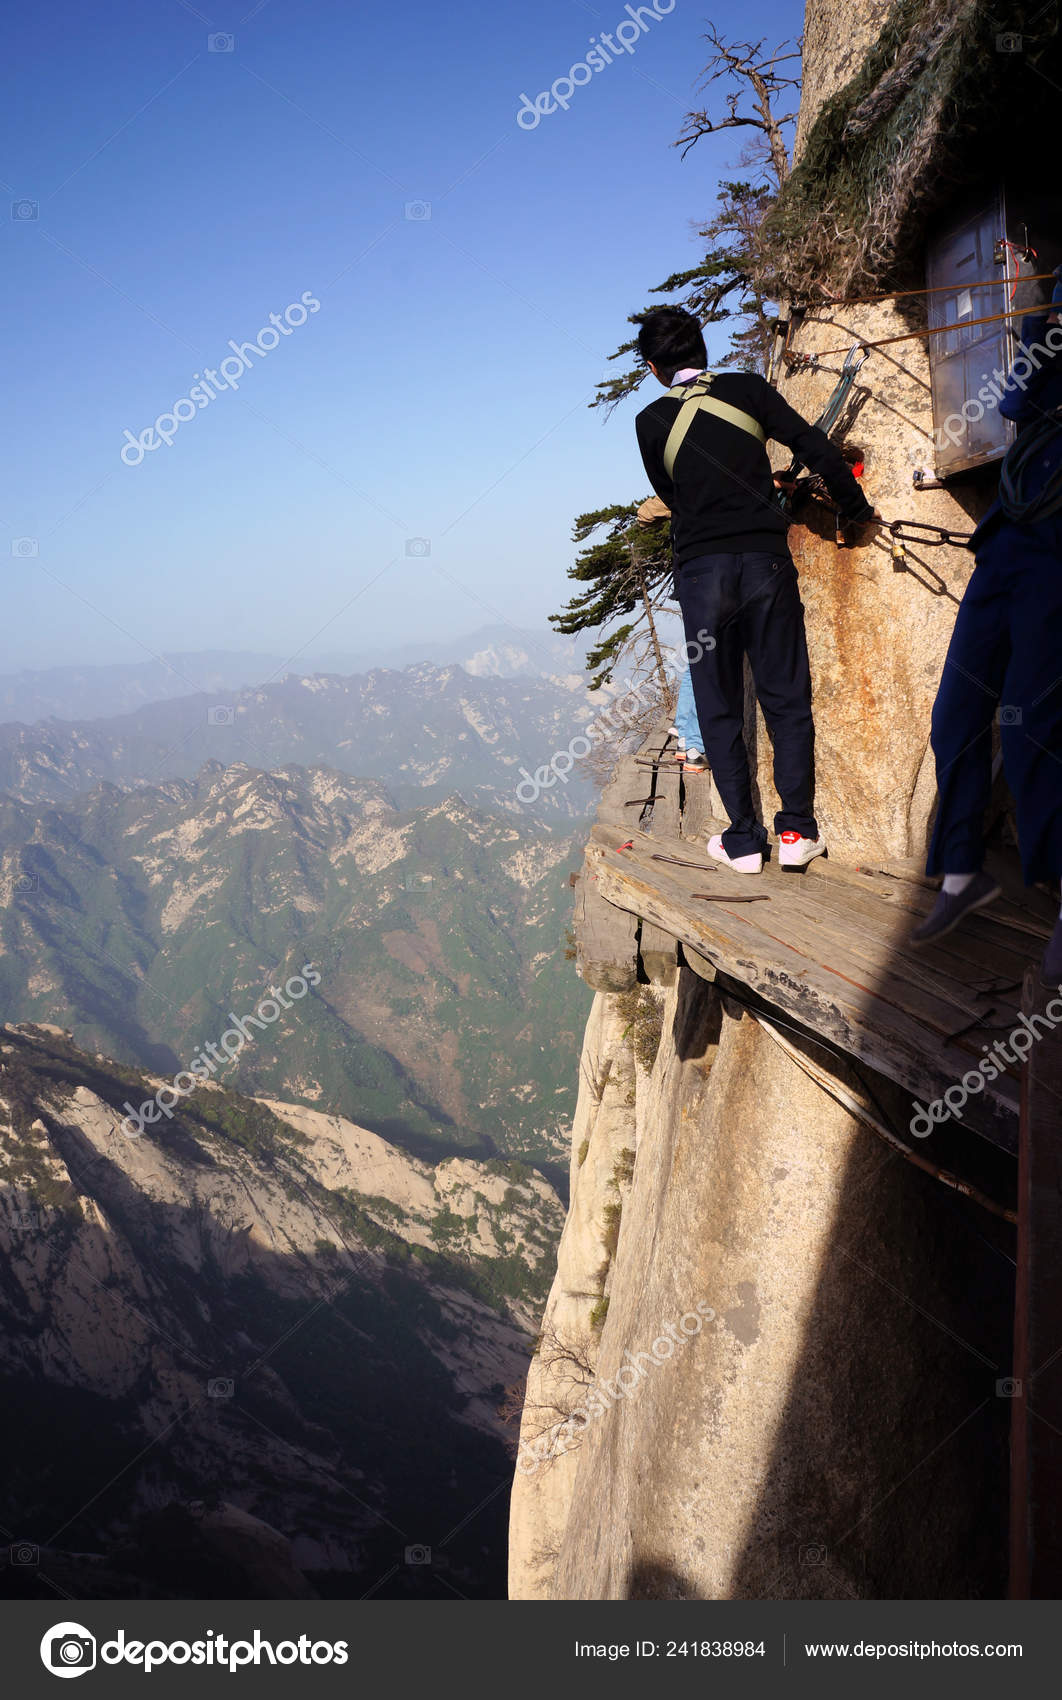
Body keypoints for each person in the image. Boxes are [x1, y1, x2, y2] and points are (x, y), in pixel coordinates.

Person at [634, 306, 878, 875]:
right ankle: (796, 832)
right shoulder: (748, 389)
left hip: (701, 576)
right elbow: (815, 446)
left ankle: (743, 840)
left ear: (653, 368)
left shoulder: (649, 422)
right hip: (766, 565)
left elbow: (674, 492)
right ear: (703, 347)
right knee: (785, 697)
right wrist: (855, 506)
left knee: (718, 708)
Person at [912, 269, 1062, 985]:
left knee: (1032, 721)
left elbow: (1022, 395)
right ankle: (962, 871)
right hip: (1011, 533)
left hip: (1058, 537)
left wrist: (1033, 315)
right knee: (957, 712)